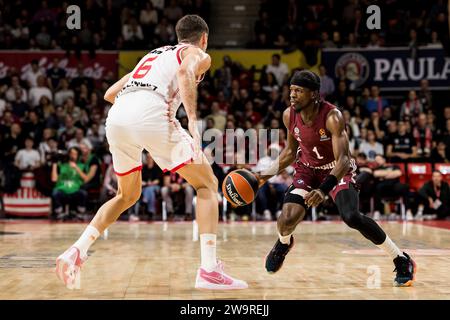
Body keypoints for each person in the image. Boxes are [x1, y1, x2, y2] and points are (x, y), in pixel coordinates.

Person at [55, 15, 247, 290]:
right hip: (153, 113)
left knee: (127, 195)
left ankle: (77, 250)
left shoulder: (153, 56)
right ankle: (208, 270)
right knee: (207, 184)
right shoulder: (197, 53)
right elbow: (185, 73)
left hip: (118, 117)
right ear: (204, 38)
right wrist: (192, 119)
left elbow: (110, 93)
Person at [255, 70, 416, 287]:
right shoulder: (288, 115)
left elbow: (343, 159)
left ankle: (400, 258)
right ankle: (283, 243)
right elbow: (290, 153)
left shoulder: (332, 116)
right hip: (307, 169)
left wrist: (323, 190)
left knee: (351, 216)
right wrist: (261, 177)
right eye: (291, 90)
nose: (292, 95)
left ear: (313, 94)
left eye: (298, 91)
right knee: (285, 221)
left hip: (336, 169)